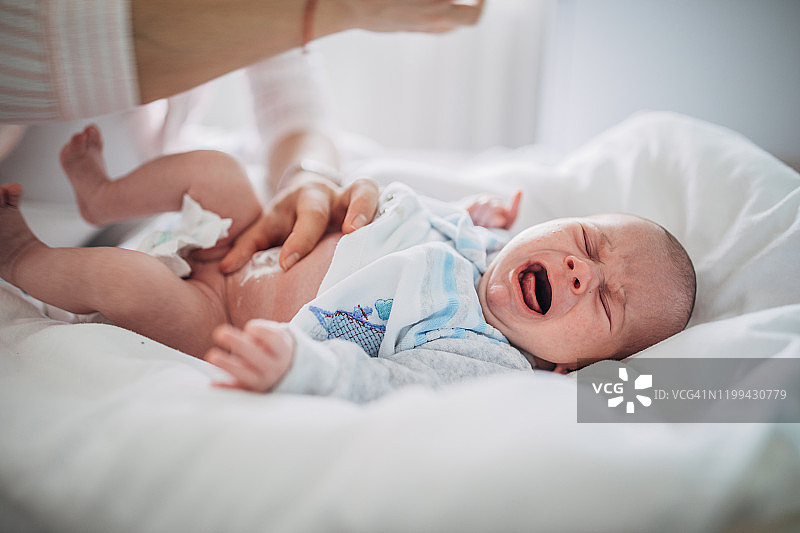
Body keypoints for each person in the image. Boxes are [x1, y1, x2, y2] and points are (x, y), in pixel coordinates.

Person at [0, 125, 696, 402]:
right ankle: (103, 196)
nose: (580, 272)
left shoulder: (479, 353)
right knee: (217, 170)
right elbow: (407, 206)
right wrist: (482, 216)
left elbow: (377, 381)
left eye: (606, 301)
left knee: (127, 283)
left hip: (218, 313)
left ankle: (23, 255)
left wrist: (297, 367)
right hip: (244, 239)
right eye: (586, 243)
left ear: (572, 366)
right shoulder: (467, 237)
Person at [0, 0, 485, 274]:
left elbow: (295, 108)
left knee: (225, 171)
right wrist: (337, 10)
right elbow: (47, 59)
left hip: (159, 213)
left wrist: (308, 178)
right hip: (46, 211)